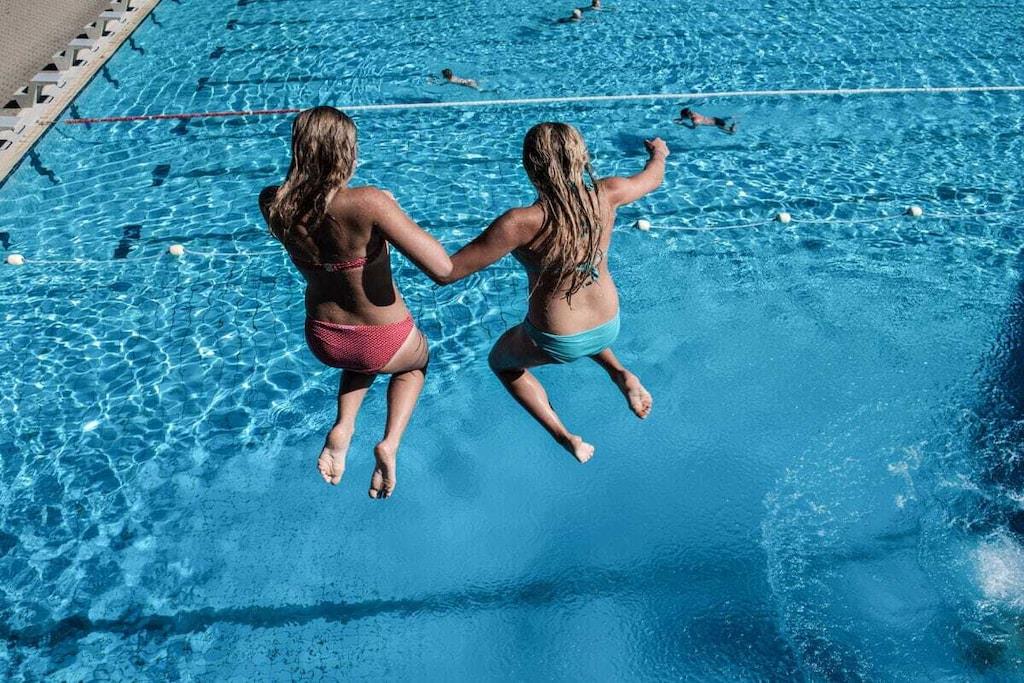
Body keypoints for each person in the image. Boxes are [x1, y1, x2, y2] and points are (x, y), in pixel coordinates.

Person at [423, 123, 667, 463]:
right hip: (609, 322)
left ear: (529, 165)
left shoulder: (520, 223)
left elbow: (447, 272)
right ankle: (621, 374)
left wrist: (394, 228)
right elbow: (653, 178)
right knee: (583, 331)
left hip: (558, 338)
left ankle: (567, 437)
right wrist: (659, 154)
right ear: (582, 158)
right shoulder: (608, 193)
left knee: (502, 363)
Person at [259, 106, 450, 499]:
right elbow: (441, 265)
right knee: (414, 365)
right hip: (386, 337)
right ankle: (390, 443)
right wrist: (389, 211)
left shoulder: (273, 203)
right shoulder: (369, 202)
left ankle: (344, 425)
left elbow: (325, 227)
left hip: (324, 337)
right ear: (346, 151)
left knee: (362, 356)